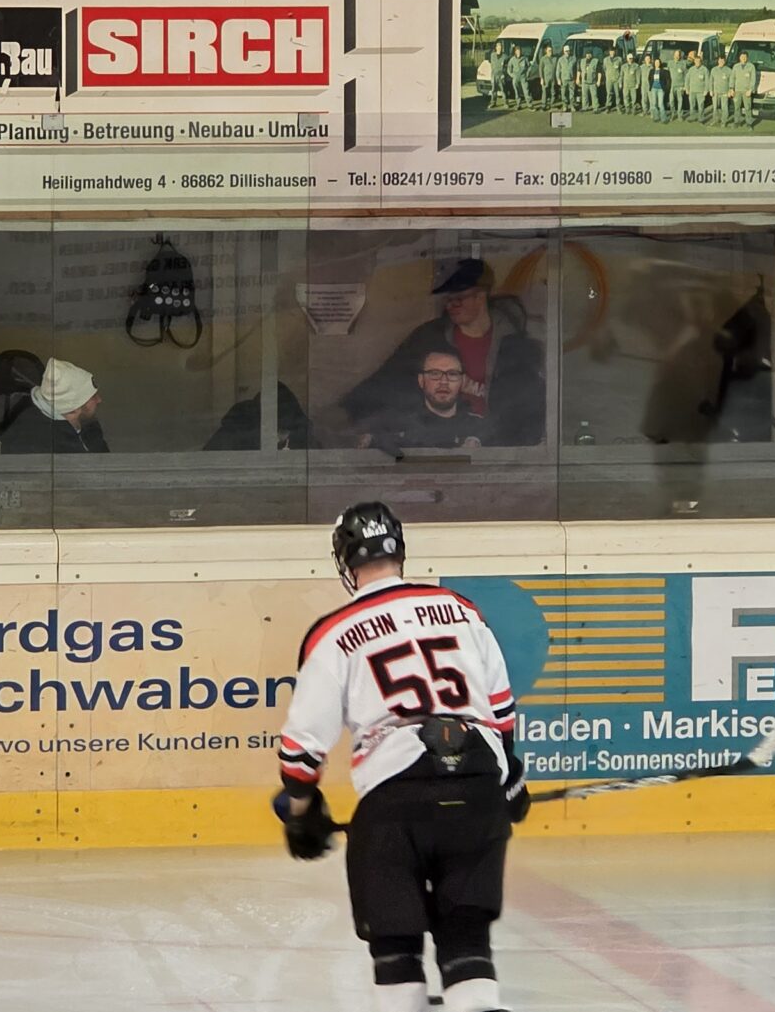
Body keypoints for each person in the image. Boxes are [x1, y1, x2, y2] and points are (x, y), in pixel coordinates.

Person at [274, 503, 526, 1012]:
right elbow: (500, 713)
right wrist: (507, 781)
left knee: (395, 947)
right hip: (477, 786)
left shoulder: (333, 632)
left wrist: (302, 815)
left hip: (393, 798)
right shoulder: (460, 608)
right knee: (467, 938)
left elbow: (301, 751)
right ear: (400, 550)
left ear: (345, 562)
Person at [343, 258, 545, 446]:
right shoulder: (428, 337)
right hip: (435, 444)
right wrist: (354, 416)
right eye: (448, 298)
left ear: (481, 296)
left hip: (494, 451)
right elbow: (388, 382)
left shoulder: (517, 348)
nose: (452, 305)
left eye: (460, 297)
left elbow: (528, 411)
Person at [363, 349, 487, 453]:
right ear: (421, 380)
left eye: (452, 374)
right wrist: (373, 440)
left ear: (463, 381)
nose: (444, 381)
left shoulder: (480, 426)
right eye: (435, 373)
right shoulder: (395, 423)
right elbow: (357, 438)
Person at [0, 357, 111, 454]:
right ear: (73, 409)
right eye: (92, 397)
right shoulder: (39, 442)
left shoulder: (86, 423)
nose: (99, 400)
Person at [646, 54, 672, 123]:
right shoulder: (652, 71)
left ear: (660, 63)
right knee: (654, 104)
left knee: (660, 104)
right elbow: (649, 78)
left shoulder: (664, 71)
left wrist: (666, 88)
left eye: (658, 62)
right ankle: (656, 117)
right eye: (656, 62)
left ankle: (663, 118)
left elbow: (668, 80)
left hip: (661, 89)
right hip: (653, 89)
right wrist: (651, 85)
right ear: (654, 63)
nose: (657, 64)